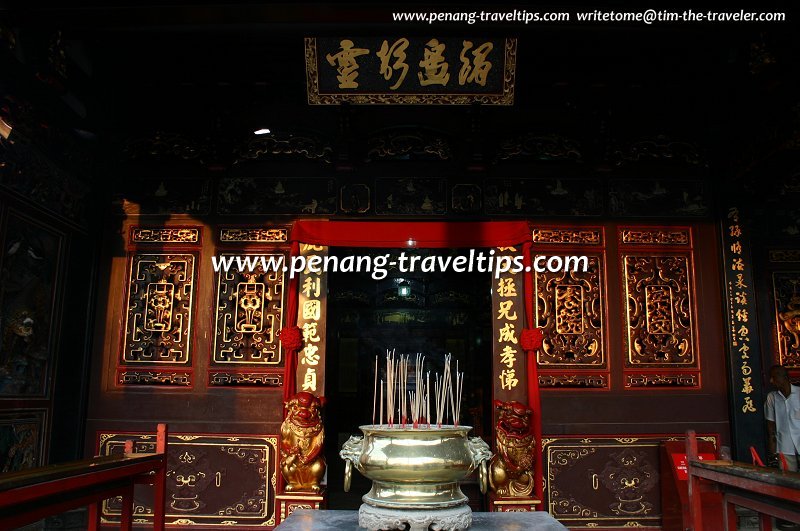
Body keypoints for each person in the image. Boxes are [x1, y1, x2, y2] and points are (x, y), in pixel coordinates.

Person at [764, 365, 800, 530]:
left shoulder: (799, 394)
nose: (772, 381)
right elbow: (771, 426)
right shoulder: (772, 398)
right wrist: (772, 449)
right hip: (784, 445)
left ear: (783, 377)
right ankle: (791, 516)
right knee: (787, 482)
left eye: (774, 377)